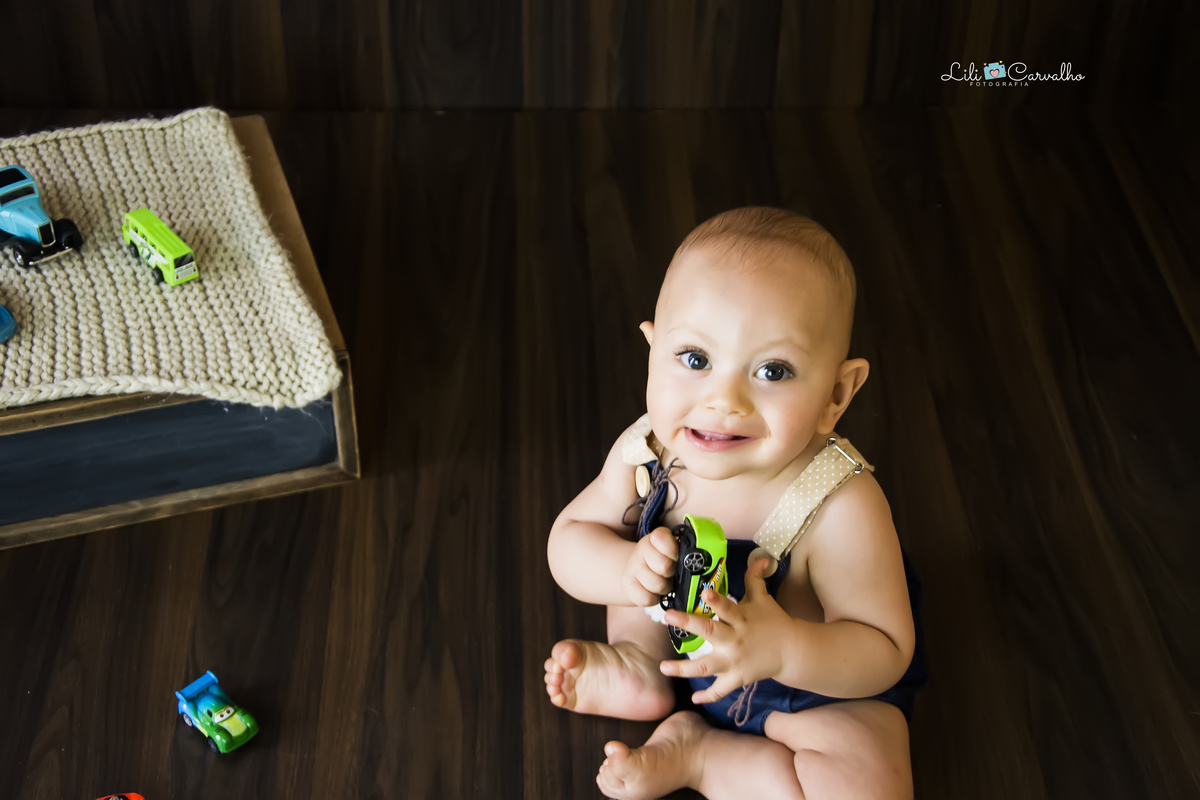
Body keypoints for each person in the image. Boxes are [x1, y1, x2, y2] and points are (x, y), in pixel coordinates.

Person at [543, 207, 927, 799]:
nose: (723, 400)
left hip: (801, 689)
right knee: (641, 573)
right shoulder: (647, 451)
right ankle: (639, 666)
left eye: (773, 370)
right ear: (652, 352)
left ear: (836, 394)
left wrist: (787, 648)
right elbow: (569, 538)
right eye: (695, 359)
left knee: (869, 784)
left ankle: (702, 756)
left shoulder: (839, 500)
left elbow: (886, 649)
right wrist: (626, 571)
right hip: (676, 640)